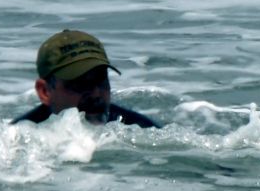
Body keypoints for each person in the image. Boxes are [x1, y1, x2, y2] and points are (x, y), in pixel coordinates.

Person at [12, 30, 160, 128]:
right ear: (45, 91)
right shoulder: (17, 139)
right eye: (80, 84)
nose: (96, 94)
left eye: (101, 80)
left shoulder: (140, 129)